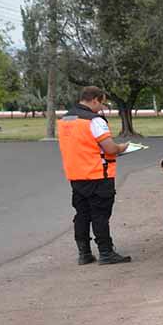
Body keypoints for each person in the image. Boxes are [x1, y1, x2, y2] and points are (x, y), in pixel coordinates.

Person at [56, 86, 133, 265]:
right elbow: (110, 148)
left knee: (82, 214)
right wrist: (124, 147)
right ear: (94, 100)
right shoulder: (94, 121)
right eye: (102, 103)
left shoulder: (66, 119)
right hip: (98, 174)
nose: (102, 107)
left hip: (76, 175)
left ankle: (84, 253)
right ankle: (106, 252)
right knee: (100, 214)